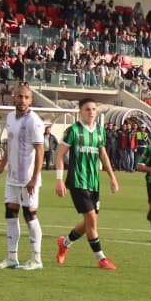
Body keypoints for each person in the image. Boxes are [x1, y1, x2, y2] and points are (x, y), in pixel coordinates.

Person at [53, 97, 120, 270]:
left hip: (93, 182)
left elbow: (103, 155)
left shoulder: (100, 131)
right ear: (80, 112)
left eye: (93, 109)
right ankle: (101, 258)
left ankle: (65, 243)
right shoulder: (73, 130)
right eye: (87, 109)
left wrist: (112, 178)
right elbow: (59, 155)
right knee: (91, 219)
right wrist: (59, 179)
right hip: (77, 181)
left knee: (89, 221)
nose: (91, 112)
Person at [0, 84, 46, 270]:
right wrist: (0, 168)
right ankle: (12, 258)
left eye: (26, 98)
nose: (22, 100)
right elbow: (10, 145)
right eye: (19, 96)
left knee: (30, 215)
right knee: (10, 214)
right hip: (12, 177)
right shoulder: (10, 117)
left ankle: (36, 259)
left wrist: (35, 178)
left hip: (28, 178)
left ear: (31, 100)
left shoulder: (34, 121)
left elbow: (40, 150)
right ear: (13, 97)